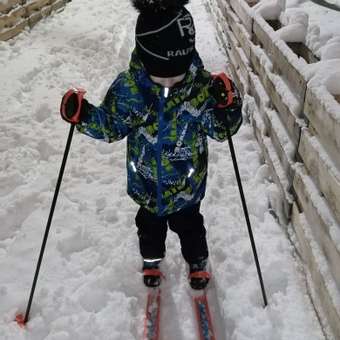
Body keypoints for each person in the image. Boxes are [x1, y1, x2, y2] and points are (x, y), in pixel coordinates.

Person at [60, 0, 242, 290]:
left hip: (187, 188)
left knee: (191, 229)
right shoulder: (129, 90)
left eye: (177, 74)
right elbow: (111, 125)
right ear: (144, 60)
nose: (169, 82)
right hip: (146, 188)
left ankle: (197, 261)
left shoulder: (201, 89)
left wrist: (228, 105)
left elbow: (222, 130)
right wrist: (84, 116)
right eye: (160, 74)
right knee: (149, 231)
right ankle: (152, 260)